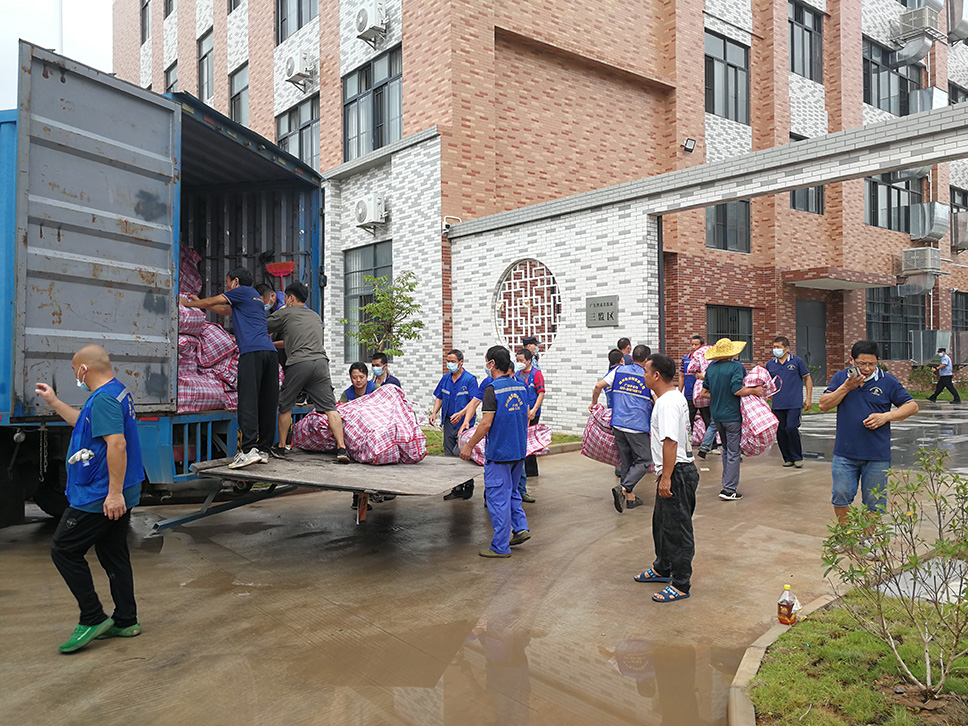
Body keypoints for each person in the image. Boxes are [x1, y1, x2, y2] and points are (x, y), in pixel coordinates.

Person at [36, 345, 144, 653]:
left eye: (75, 370)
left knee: (64, 549)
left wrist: (113, 494)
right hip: (118, 490)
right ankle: (126, 620)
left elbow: (117, 445)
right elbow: (85, 423)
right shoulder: (116, 392)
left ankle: (92, 616)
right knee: (113, 553)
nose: (75, 376)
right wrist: (54, 402)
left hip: (100, 494)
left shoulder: (104, 399)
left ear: (84, 369)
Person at [181, 267, 278, 469]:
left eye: (228, 283)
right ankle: (264, 449)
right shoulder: (254, 298)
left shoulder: (241, 291)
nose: (228, 287)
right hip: (270, 353)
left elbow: (213, 301)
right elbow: (224, 310)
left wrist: (188, 303)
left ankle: (248, 450)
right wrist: (200, 303)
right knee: (267, 402)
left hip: (252, 352)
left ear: (235, 281)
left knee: (248, 400)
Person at [819, 340, 918, 525]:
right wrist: (846, 387)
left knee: (874, 503)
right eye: (861, 364)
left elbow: (911, 406)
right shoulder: (841, 378)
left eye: (871, 364)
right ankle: (846, 534)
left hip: (877, 455)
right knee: (840, 495)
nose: (866, 368)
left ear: (877, 361)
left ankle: (869, 538)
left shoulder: (887, 381)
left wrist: (885, 417)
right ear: (851, 361)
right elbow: (824, 405)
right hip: (845, 453)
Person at [634, 353, 700, 603]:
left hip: (679, 472)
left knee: (677, 530)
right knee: (662, 524)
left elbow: (671, 441)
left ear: (656, 375)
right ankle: (663, 568)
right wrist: (663, 471)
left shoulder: (668, 403)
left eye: (645, 371)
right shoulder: (668, 398)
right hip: (673, 470)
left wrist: (667, 477)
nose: (643, 376)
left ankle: (681, 583)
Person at [265, 282, 349, 464]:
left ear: (290, 298)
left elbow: (263, 326)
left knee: (285, 405)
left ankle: (281, 447)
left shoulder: (286, 313)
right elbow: (296, 340)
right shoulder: (315, 316)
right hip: (320, 363)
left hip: (299, 363)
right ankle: (342, 448)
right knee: (330, 408)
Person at [460, 346, 530, 558]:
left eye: (486, 361)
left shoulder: (492, 389)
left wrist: (469, 445)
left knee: (497, 498)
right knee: (512, 492)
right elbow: (526, 416)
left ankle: (500, 546)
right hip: (519, 451)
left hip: (500, 453)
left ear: (492, 363)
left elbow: (485, 423)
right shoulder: (521, 386)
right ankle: (520, 528)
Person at [591, 344, 653, 512]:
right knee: (644, 459)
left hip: (618, 423)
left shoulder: (618, 371)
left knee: (626, 461)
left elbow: (598, 386)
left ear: (631, 357)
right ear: (647, 360)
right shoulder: (647, 376)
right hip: (637, 425)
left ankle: (629, 498)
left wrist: (594, 404)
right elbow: (656, 398)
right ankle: (623, 488)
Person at [702, 338, 764, 501]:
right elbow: (737, 390)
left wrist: (718, 395)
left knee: (726, 449)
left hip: (717, 416)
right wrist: (754, 390)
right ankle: (729, 489)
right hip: (732, 415)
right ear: (732, 353)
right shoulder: (737, 367)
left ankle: (726, 484)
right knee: (734, 452)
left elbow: (703, 393)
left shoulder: (711, 368)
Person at [433, 349, 479, 501]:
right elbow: (439, 397)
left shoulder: (469, 379)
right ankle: (456, 487)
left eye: (453, 361)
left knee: (460, 453)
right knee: (449, 454)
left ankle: (468, 484)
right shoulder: (446, 378)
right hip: (448, 421)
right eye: (448, 361)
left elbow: (474, 402)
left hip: (464, 423)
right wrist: (434, 413)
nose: (449, 364)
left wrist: (461, 414)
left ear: (461, 362)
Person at [765, 336, 813, 468]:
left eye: (778, 347)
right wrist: (767, 394)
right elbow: (767, 382)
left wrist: (808, 398)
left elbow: (807, 378)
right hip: (778, 404)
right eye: (774, 347)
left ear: (786, 348)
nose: (776, 350)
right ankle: (787, 458)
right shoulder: (770, 364)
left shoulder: (797, 361)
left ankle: (797, 457)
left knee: (791, 428)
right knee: (781, 431)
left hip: (794, 402)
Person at [515, 348, 546, 503]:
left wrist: (533, 410)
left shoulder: (536, 374)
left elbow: (541, 393)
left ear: (528, 360)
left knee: (529, 443)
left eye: (521, 360)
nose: (519, 363)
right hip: (521, 413)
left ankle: (530, 471)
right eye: (517, 360)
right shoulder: (517, 374)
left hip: (532, 412)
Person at [679, 335, 704, 429]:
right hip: (689, 393)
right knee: (689, 419)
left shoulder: (705, 359)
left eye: (696, 345)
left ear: (702, 346)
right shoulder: (686, 359)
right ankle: (690, 436)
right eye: (692, 344)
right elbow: (682, 376)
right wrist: (680, 392)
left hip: (702, 394)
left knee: (707, 419)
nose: (693, 347)